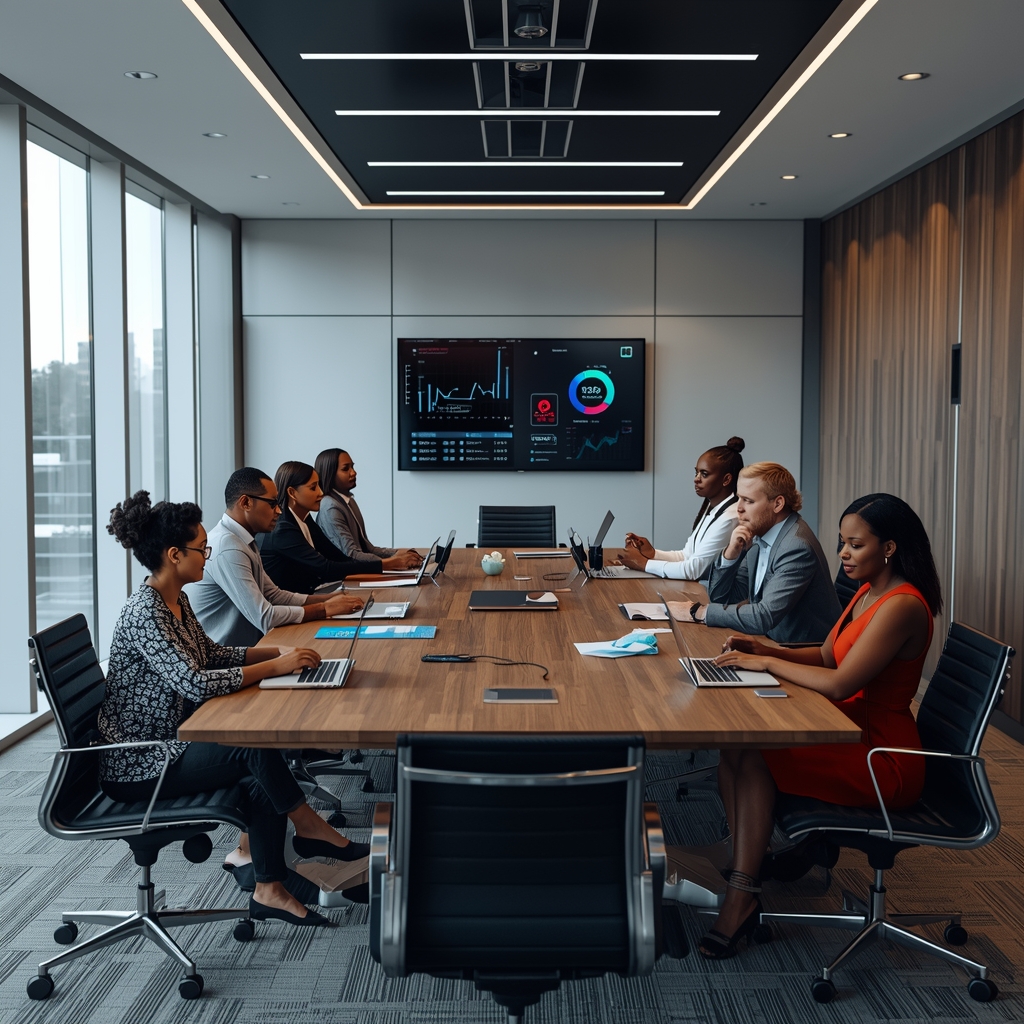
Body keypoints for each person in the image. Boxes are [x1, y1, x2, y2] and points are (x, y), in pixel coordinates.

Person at [99, 492, 370, 928]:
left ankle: (269, 887)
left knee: (256, 766)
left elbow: (211, 654)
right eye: (201, 549)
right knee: (250, 748)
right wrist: (275, 666)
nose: (208, 556)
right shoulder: (144, 613)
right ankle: (310, 829)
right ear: (174, 555)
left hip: (173, 741)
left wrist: (272, 655)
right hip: (141, 762)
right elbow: (193, 680)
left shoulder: (176, 600)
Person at [696, 493, 942, 959]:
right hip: (846, 729)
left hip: (882, 758)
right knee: (734, 747)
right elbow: (828, 654)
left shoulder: (901, 605)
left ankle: (741, 895)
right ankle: (743, 870)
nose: (844, 554)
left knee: (754, 754)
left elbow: (839, 681)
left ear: (888, 548)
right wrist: (768, 650)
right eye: (842, 543)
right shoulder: (868, 591)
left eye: (855, 545)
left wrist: (769, 667)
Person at [185, 467, 365, 647]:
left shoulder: (242, 539)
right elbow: (265, 616)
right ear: (246, 502)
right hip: (228, 662)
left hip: (250, 650)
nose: (279, 511)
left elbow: (274, 595)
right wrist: (325, 608)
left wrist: (331, 599)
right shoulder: (227, 546)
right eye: (272, 503)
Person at [681, 462, 841, 643]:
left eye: (748, 501)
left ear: (778, 503)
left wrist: (699, 612)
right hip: (769, 642)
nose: (739, 508)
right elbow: (723, 598)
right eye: (739, 498)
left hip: (798, 653)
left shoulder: (795, 547)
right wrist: (730, 554)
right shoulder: (759, 534)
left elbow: (763, 617)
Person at [258, 462, 413, 593]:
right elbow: (325, 568)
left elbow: (338, 558)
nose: (320, 492)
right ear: (292, 492)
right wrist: (387, 564)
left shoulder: (304, 519)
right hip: (289, 610)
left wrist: (388, 565)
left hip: (310, 596)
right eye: (313, 488)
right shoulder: (283, 528)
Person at [617, 437, 745, 580]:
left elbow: (693, 570)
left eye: (704, 474)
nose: (696, 479)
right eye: (696, 472)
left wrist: (643, 563)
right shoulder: (714, 507)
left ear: (726, 480)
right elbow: (686, 556)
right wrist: (653, 554)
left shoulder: (730, 518)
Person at [315, 448, 421, 567]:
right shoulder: (330, 507)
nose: (353, 472)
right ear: (329, 474)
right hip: (344, 579)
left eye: (352, 467)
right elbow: (351, 555)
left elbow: (368, 548)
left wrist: (397, 553)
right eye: (346, 469)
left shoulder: (349, 501)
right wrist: (393, 562)